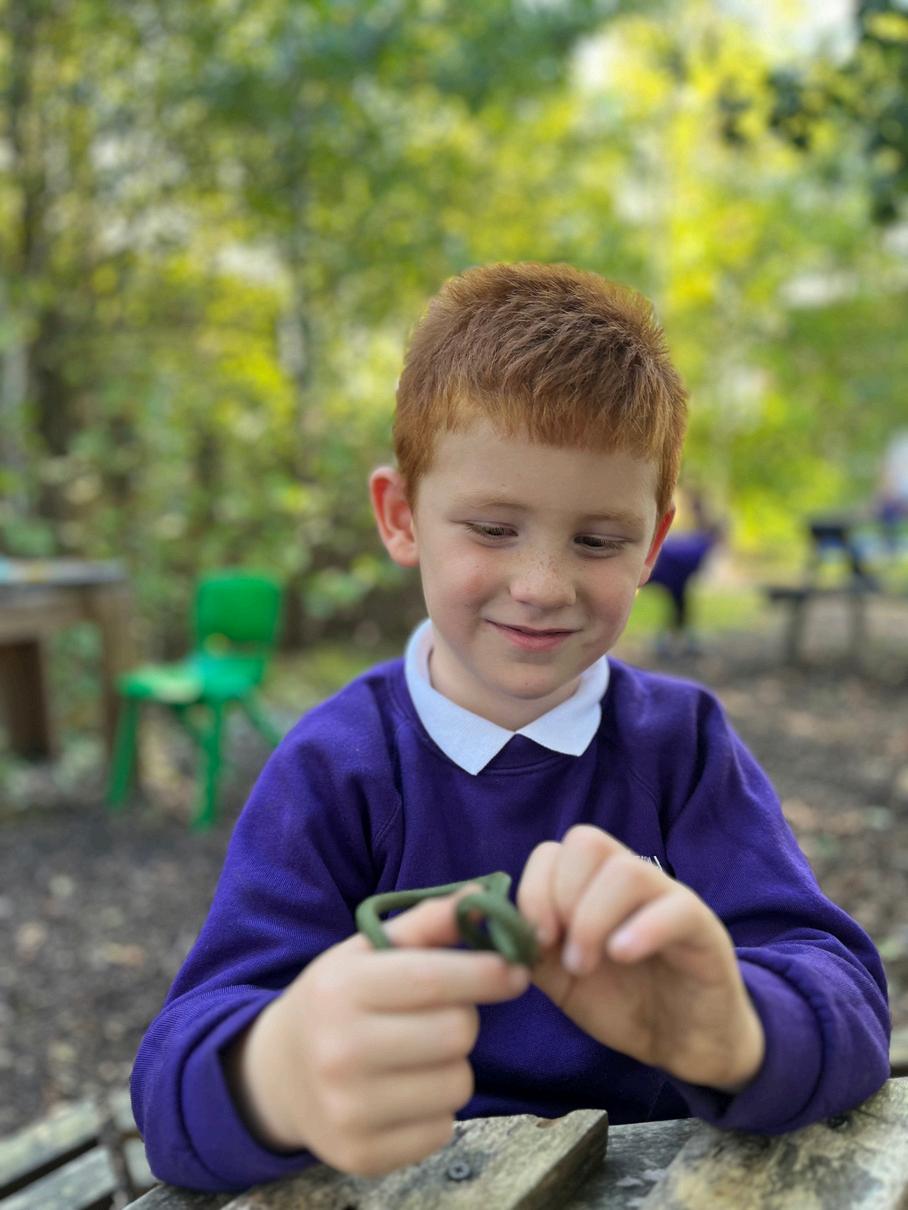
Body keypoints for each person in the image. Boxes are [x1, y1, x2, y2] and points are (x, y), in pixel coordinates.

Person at [131, 263, 890, 1193]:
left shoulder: (683, 747)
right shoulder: (335, 768)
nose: (541, 586)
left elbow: (845, 998)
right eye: (493, 528)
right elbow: (174, 1082)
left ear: (652, 546)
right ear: (402, 517)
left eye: (597, 541)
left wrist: (732, 1030)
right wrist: (277, 1076)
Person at [644, 486, 723, 654]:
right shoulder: (701, 547)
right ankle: (669, 644)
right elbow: (679, 565)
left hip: (670, 576)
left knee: (680, 611)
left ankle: (677, 642)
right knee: (680, 611)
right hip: (664, 574)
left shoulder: (698, 542)